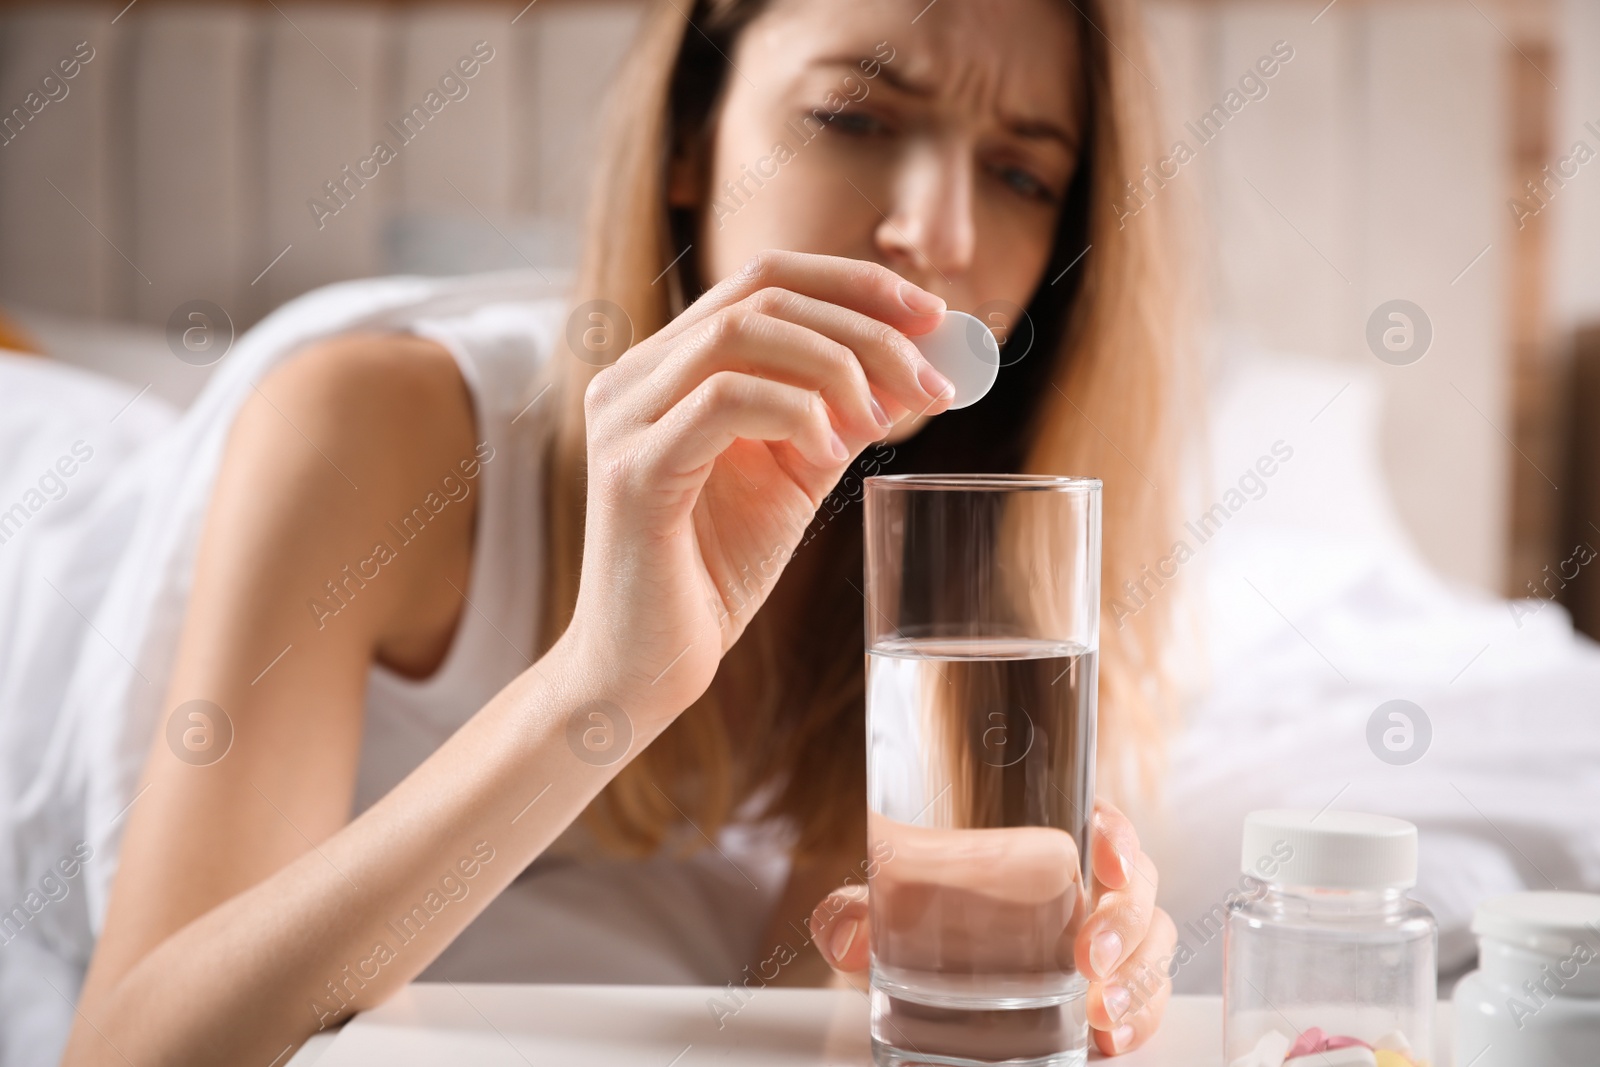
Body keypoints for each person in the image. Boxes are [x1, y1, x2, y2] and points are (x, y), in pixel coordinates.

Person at [5, 0, 1194, 1062]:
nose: (936, 233)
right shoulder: (363, 422)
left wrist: (982, 973)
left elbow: (813, 991)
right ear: (690, 142)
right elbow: (132, 1048)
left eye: (1022, 177)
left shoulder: (944, 535)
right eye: (856, 117)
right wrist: (603, 679)